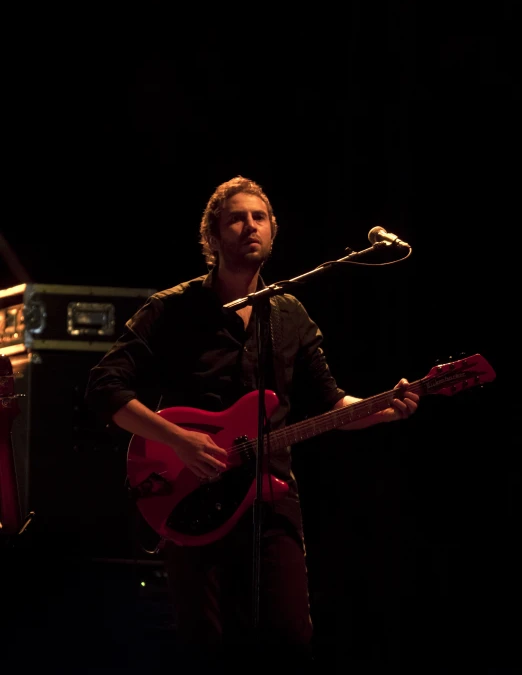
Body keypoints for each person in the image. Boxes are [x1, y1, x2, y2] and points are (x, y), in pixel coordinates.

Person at [84, 175, 419, 671]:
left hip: (270, 493)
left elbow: (331, 403)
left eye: (258, 217)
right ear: (213, 237)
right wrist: (178, 441)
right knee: (207, 644)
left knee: (289, 638)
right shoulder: (172, 309)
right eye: (236, 218)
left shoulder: (290, 315)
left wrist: (380, 408)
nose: (249, 226)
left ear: (272, 231)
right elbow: (103, 388)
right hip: (191, 495)